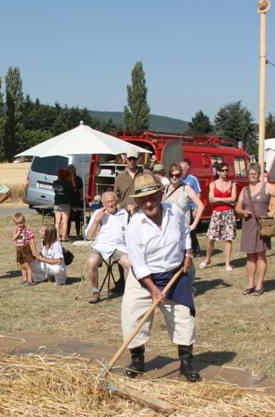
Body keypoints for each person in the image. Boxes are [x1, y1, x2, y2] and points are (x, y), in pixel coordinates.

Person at [121, 172, 198, 382]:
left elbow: (184, 232)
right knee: (133, 316)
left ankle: (186, 362)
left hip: (174, 275)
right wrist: (153, 290)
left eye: (152, 197)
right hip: (143, 279)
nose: (149, 203)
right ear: (137, 201)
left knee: (183, 317)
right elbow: (138, 264)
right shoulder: (134, 226)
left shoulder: (176, 212)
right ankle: (137, 360)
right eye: (143, 199)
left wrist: (188, 253)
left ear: (160, 195)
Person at [84, 190, 131, 303]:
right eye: (108, 202)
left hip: (120, 246)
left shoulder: (124, 214)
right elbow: (89, 235)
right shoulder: (98, 213)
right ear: (103, 204)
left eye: (113, 201)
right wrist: (96, 221)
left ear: (117, 201)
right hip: (101, 246)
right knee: (92, 261)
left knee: (129, 263)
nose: (111, 204)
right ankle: (95, 292)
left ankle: (129, 293)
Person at [234, 164, 271, 296]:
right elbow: (237, 207)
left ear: (259, 174)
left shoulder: (266, 186)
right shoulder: (244, 190)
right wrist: (243, 211)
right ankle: (250, 284)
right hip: (248, 226)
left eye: (255, 174)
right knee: (250, 256)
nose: (252, 176)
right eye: (250, 174)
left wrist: (274, 212)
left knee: (261, 255)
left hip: (262, 226)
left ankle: (260, 285)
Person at [200, 163, 237, 270]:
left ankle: (227, 263)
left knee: (228, 238)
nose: (225, 172)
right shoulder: (213, 184)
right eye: (223, 170)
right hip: (216, 213)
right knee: (211, 238)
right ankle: (207, 259)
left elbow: (234, 198)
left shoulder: (232, 184)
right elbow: (211, 199)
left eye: (227, 170)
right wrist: (226, 200)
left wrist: (219, 200)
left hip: (228, 213)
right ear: (218, 172)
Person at [179, 158, 203, 256]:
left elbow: (198, 194)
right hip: (181, 209)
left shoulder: (193, 179)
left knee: (190, 230)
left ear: (188, 170)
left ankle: (195, 249)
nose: (182, 171)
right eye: (180, 169)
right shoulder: (178, 179)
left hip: (191, 209)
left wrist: (196, 209)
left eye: (183, 169)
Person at [10, 212, 36, 285]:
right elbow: (13, 239)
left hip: (26, 249)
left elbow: (32, 240)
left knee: (28, 265)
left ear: (24, 221)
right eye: (18, 224)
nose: (20, 225)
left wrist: (34, 250)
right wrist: (18, 233)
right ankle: (24, 279)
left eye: (21, 223)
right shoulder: (15, 231)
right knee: (22, 265)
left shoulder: (27, 230)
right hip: (19, 249)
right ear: (15, 224)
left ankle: (30, 280)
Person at [52, 168, 74, 242]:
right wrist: (72, 179)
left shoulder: (54, 182)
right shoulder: (68, 183)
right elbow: (73, 189)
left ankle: (57, 237)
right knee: (65, 222)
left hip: (57, 203)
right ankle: (64, 237)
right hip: (65, 203)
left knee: (57, 222)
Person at [67, 163, 85, 239]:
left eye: (72, 170)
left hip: (77, 200)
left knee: (77, 218)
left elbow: (80, 190)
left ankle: (78, 234)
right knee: (69, 218)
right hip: (69, 201)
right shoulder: (66, 180)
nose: (71, 172)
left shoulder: (79, 179)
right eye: (70, 170)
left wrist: (82, 198)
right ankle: (67, 233)